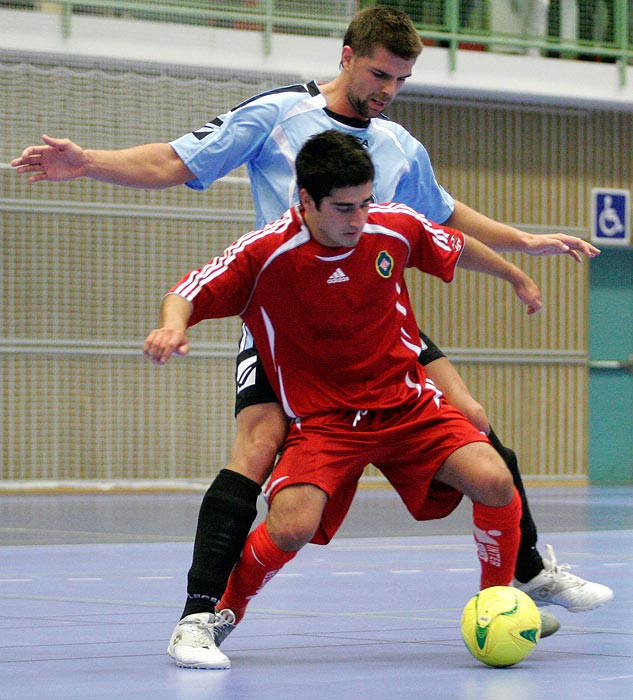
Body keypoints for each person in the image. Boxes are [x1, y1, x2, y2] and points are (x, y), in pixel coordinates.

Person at [12, 4, 612, 668]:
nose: (387, 91)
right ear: (348, 56)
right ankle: (198, 616)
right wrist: (86, 162)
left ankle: (523, 569)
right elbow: (174, 162)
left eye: (402, 81)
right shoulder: (278, 117)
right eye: (380, 74)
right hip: (287, 325)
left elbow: (440, 216)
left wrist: (521, 243)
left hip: (373, 319)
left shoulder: (396, 145)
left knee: (470, 416)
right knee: (259, 445)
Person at [144, 129, 545, 668]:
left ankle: (500, 600)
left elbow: (450, 243)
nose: (357, 220)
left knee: (495, 478)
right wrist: (173, 327)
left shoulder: (392, 227)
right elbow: (187, 290)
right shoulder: (265, 253)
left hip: (406, 406)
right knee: (291, 525)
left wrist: (515, 273)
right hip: (326, 420)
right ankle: (210, 622)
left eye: (364, 203)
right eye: (342, 208)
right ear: (305, 201)